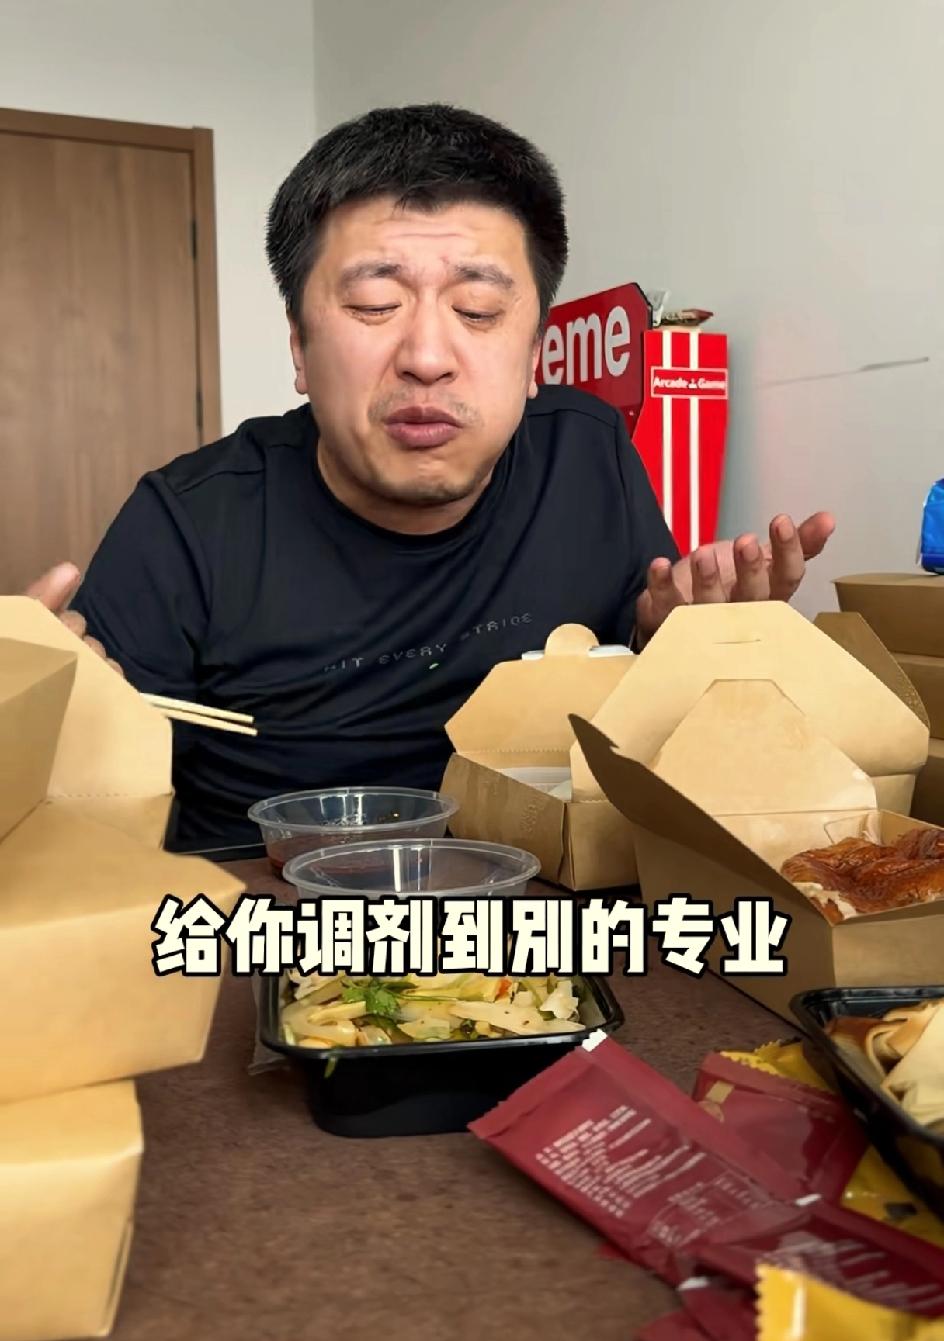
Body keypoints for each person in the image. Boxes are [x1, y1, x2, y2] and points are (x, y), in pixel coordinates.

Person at [25, 104, 834, 852]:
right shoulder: (188, 523)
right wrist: (41, 723)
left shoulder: (587, 456)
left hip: (542, 906)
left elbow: (636, 712)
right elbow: (86, 818)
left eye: (477, 311)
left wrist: (678, 642)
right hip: (269, 919)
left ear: (535, 353)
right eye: (376, 303)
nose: (427, 356)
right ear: (300, 349)